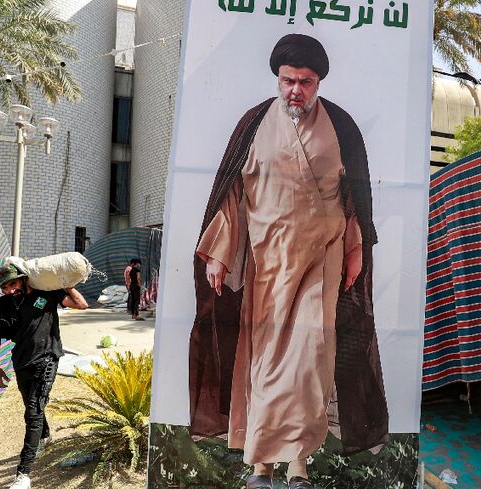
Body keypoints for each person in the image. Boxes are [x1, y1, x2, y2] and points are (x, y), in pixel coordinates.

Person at [188, 34, 389, 489]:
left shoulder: (341, 126)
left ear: (318, 83)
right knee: (265, 364)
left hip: (322, 261)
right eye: (288, 80)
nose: (296, 89)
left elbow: (355, 198)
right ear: (277, 79)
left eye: (306, 81)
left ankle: (298, 466)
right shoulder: (254, 123)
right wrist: (219, 254)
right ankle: (262, 465)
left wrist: (355, 249)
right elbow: (233, 195)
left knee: (309, 361)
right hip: (268, 266)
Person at [0, 263, 88, 489]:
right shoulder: (3, 305)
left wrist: (67, 284)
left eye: (12, 284)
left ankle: (23, 475)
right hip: (21, 362)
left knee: (33, 412)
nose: (9, 290)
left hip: (47, 359)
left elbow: (81, 304)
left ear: (23, 279)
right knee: (31, 408)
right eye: (4, 287)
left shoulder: (47, 295)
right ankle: (44, 438)